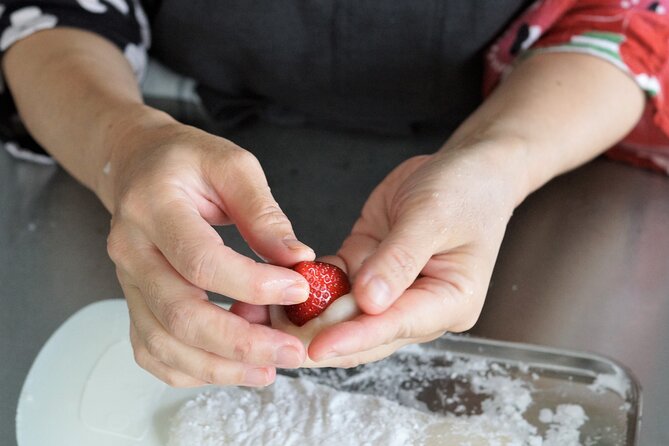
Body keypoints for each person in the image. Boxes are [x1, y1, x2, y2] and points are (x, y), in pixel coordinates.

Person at [1, 0, 667, 388]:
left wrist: (499, 162)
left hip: (541, 139)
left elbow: (628, 15)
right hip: (178, 116)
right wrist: (121, 147)